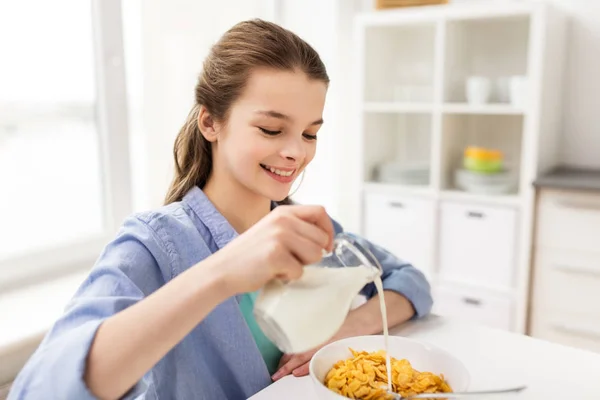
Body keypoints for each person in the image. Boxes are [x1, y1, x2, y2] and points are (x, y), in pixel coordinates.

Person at [8, 19, 432, 400]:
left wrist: (341, 333)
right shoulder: (154, 244)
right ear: (210, 123)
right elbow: (41, 388)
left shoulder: (304, 229)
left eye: (309, 133)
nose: (295, 152)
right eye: (271, 129)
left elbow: (409, 281)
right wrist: (223, 272)